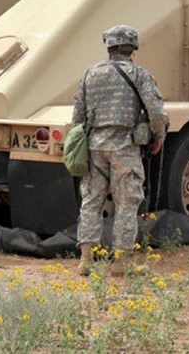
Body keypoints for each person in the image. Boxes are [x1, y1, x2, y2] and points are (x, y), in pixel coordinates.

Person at [74, 24, 168, 276]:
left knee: (91, 200)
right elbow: (157, 113)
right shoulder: (139, 75)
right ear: (131, 48)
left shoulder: (90, 74)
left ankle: (86, 260)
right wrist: (158, 136)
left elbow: (78, 117)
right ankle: (123, 262)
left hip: (94, 146)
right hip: (125, 147)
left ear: (109, 47)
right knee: (127, 202)